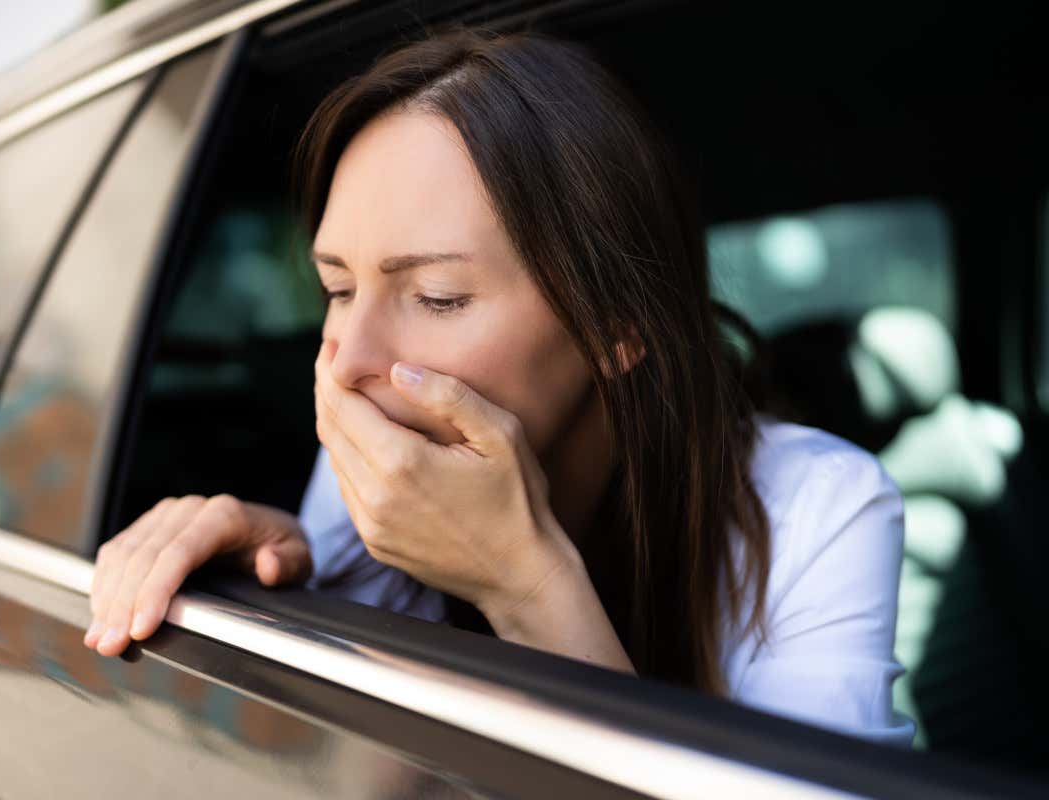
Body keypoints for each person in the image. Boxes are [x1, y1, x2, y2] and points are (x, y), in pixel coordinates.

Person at [84, 28, 914, 745]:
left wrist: (527, 585)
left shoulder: (818, 510)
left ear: (615, 323)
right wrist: (292, 571)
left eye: (436, 297)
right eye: (337, 289)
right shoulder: (383, 442)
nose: (345, 362)